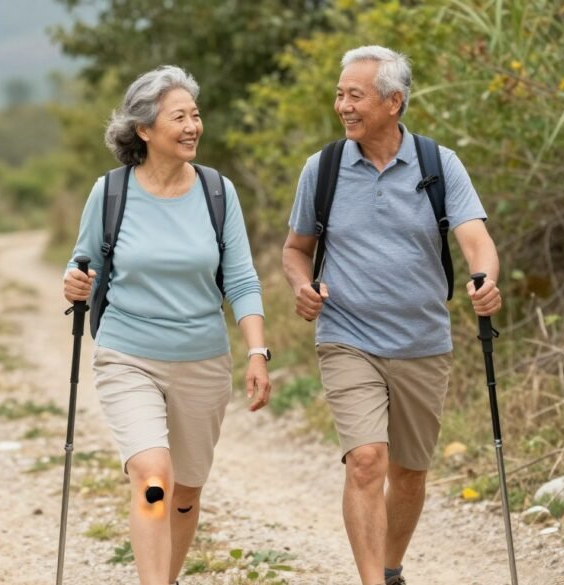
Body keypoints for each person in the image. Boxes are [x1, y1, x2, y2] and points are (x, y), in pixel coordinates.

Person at [282, 46, 502, 585]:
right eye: (340, 95)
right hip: (347, 336)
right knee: (366, 461)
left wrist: (486, 279)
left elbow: (476, 239)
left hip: (423, 341)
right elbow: (295, 250)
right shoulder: (324, 167)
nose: (343, 106)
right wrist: (302, 286)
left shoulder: (438, 163)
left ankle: (391, 568)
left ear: (394, 101)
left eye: (354, 95)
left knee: (408, 473)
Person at [63, 65, 271, 585]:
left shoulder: (217, 192)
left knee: (185, 492)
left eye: (195, 115)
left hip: (203, 360)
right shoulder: (111, 193)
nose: (192, 126)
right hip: (127, 355)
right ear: (144, 129)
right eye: (178, 116)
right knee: (155, 479)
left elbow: (241, 279)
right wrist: (73, 282)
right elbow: (83, 262)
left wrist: (256, 352)